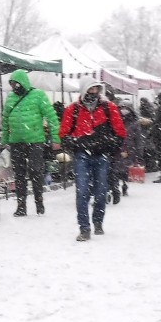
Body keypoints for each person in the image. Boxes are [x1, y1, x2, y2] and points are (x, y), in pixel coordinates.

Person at [59, 77, 126, 241]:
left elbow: (120, 133)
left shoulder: (109, 108)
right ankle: (84, 228)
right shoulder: (73, 110)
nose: (94, 92)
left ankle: (97, 222)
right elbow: (63, 134)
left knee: (101, 192)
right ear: (84, 90)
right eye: (91, 89)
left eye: (96, 89)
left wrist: (108, 145)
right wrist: (76, 143)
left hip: (101, 155)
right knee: (82, 192)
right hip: (82, 156)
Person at [1, 69, 60, 216]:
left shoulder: (38, 95)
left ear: (23, 82)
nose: (15, 87)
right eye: (12, 84)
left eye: (17, 83)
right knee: (19, 174)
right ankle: (21, 206)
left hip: (35, 141)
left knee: (36, 171)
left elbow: (51, 117)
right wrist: (5, 139)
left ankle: (38, 202)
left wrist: (56, 138)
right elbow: (5, 120)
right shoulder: (10, 98)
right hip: (16, 142)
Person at [109, 100, 144, 202]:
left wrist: (139, 153)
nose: (123, 110)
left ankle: (124, 185)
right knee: (114, 170)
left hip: (129, 149)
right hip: (116, 148)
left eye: (126, 108)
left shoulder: (134, 123)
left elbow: (138, 139)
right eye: (121, 108)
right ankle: (115, 188)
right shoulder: (114, 119)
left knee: (125, 170)